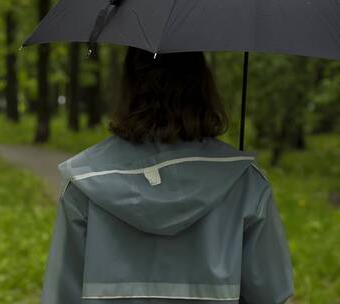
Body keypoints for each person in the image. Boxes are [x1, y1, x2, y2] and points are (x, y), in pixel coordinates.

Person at [40, 47, 294, 304]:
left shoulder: (84, 181)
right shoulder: (245, 183)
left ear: (128, 87)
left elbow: (61, 297)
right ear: (202, 86)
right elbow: (271, 294)